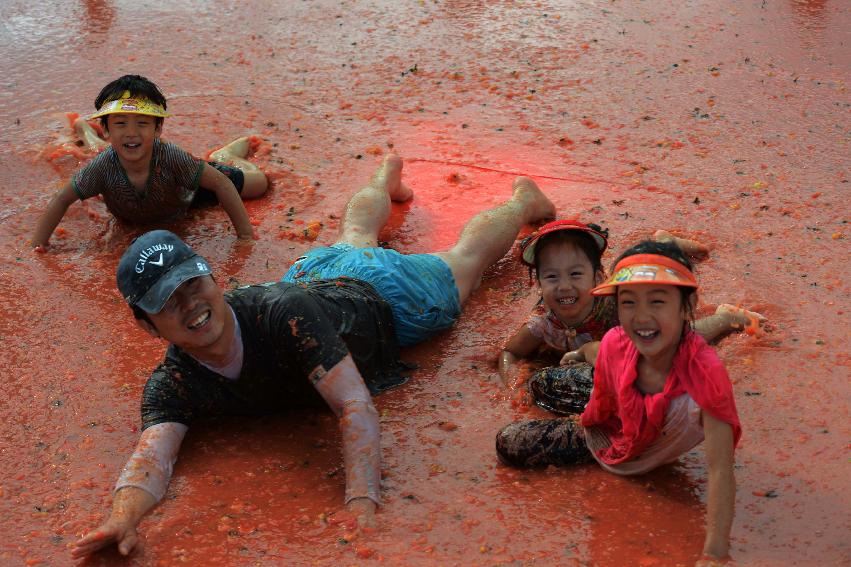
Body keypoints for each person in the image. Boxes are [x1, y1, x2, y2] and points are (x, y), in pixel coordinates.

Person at [71, 154, 556, 558]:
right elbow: (153, 456)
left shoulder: (286, 317)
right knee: (353, 236)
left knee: (465, 261)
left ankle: (521, 201)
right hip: (310, 275)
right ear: (146, 326)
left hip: (389, 301)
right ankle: (382, 179)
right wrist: (122, 519)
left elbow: (353, 404)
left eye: (192, 284)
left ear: (212, 278)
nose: (190, 305)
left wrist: (361, 505)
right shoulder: (171, 384)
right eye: (168, 301)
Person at [496, 241, 742, 565]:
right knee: (541, 383)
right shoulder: (617, 341)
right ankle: (718, 318)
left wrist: (715, 553)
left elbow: (721, 470)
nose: (641, 317)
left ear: (687, 305)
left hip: (633, 439)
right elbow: (600, 348)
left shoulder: (707, 379)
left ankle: (724, 320)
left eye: (657, 301)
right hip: (612, 413)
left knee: (511, 442)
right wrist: (577, 353)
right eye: (628, 303)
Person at [498, 220, 763, 388]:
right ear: (540, 284)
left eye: (576, 274)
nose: (564, 285)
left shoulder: (617, 306)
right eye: (552, 277)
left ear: (598, 278)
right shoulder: (543, 323)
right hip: (598, 352)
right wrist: (512, 381)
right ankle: (662, 243)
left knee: (676, 337)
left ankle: (725, 317)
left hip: (627, 302)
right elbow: (509, 353)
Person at [32, 74, 268, 249]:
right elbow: (62, 199)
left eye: (142, 123)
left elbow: (221, 184)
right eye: (120, 123)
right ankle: (86, 132)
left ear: (158, 129)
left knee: (260, 184)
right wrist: (38, 245)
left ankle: (224, 156)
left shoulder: (172, 156)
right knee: (105, 152)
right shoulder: (102, 166)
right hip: (121, 169)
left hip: (189, 195)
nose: (131, 132)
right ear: (107, 128)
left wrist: (245, 236)